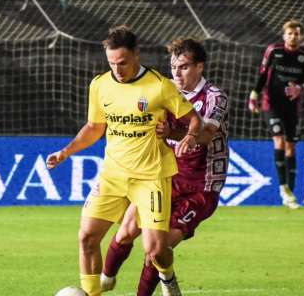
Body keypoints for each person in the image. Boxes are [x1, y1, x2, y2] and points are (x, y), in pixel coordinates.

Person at [46, 26, 202, 296]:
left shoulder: (159, 86)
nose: (117, 69)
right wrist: (65, 152)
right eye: (111, 63)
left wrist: (188, 136)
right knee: (87, 237)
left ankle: (167, 276)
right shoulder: (100, 85)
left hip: (151, 177)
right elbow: (95, 127)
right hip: (113, 175)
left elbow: (195, 120)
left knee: (155, 250)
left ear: (137, 55)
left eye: (123, 63)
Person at [99, 38, 229, 295]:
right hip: (162, 177)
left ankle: (160, 284)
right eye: (173, 67)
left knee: (157, 248)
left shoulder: (215, 97)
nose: (177, 74)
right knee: (125, 232)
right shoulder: (163, 89)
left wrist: (178, 133)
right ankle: (102, 283)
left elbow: (206, 136)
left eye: (184, 67)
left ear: (199, 67)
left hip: (200, 187)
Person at [248, 19, 304, 209]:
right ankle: (283, 188)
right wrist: (253, 96)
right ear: (284, 35)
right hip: (271, 104)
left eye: (296, 33)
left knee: (291, 148)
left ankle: (290, 193)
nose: (293, 36)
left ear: (301, 36)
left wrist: (300, 88)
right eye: (290, 33)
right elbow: (263, 74)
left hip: (292, 107)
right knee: (278, 140)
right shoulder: (274, 50)